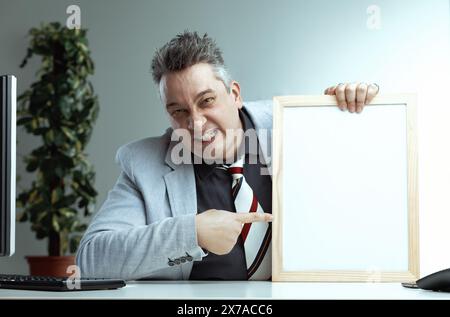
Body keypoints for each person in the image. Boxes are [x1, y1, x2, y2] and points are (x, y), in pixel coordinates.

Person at [76, 31, 380, 280]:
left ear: (234, 94)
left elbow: (368, 176)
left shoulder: (295, 125)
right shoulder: (143, 163)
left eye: (206, 101)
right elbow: (91, 259)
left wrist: (356, 105)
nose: (196, 123)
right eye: (179, 111)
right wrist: (191, 233)